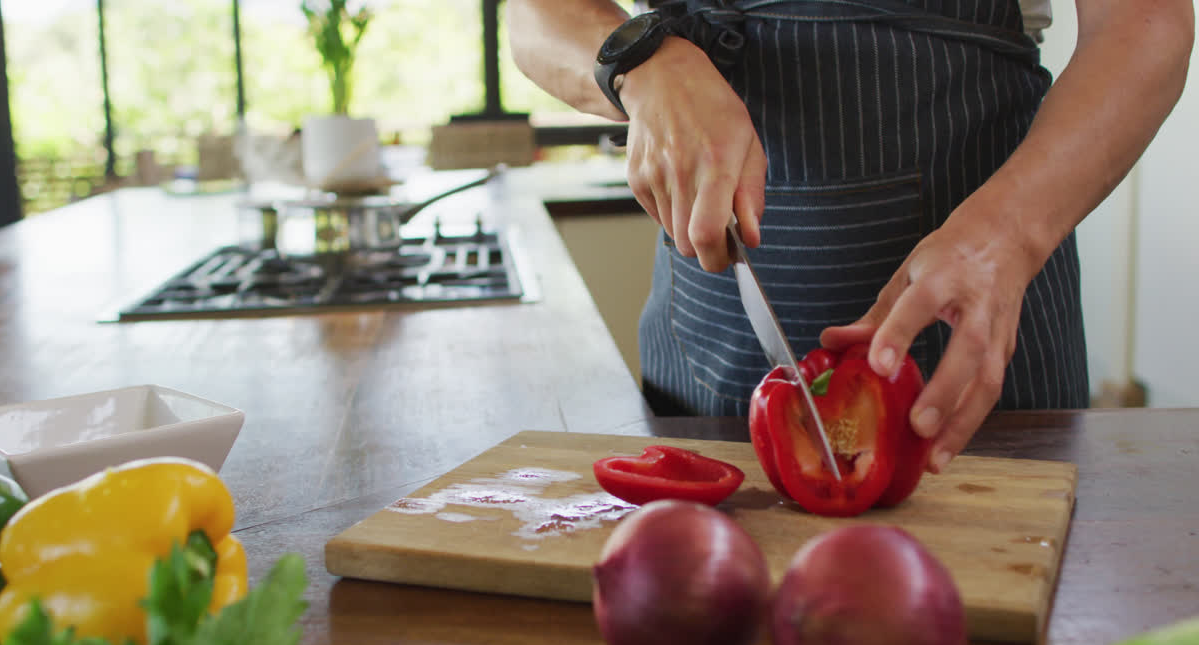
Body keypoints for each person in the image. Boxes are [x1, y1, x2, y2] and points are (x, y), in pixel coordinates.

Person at [506, 0, 1193, 472]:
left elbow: (1145, 24)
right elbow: (533, 16)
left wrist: (1004, 238)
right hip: (704, 354)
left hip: (976, 351)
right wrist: (639, 60)